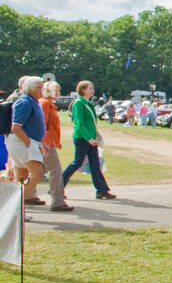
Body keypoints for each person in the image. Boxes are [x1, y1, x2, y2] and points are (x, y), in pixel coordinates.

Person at [63, 80, 115, 200]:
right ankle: (57, 186)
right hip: (82, 138)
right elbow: (79, 123)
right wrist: (88, 138)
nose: (92, 90)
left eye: (92, 88)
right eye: (89, 88)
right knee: (77, 162)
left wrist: (93, 137)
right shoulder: (79, 104)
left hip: (90, 138)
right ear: (82, 90)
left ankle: (102, 190)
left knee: (95, 164)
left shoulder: (88, 103)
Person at [6, 76, 48, 205]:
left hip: (25, 142)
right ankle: (16, 203)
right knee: (37, 173)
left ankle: (18, 210)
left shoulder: (34, 101)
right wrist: (29, 144)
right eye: (40, 87)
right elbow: (16, 127)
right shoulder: (24, 102)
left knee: (21, 177)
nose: (43, 90)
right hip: (22, 142)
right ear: (31, 89)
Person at [38, 80, 73, 211]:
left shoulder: (48, 104)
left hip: (48, 141)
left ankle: (28, 196)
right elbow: (42, 125)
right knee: (56, 171)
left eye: (58, 90)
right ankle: (58, 201)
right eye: (55, 90)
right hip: (47, 142)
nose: (58, 93)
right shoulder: (45, 104)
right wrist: (45, 142)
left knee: (38, 172)